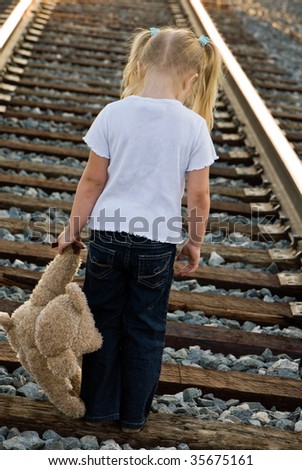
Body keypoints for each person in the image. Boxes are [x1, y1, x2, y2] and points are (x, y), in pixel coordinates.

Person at [56, 26, 222, 432]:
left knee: (103, 321)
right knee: (146, 329)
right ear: (193, 78)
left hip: (108, 239)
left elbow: (92, 181)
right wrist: (195, 241)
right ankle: (132, 417)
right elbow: (198, 195)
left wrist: (72, 228)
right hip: (157, 245)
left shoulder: (114, 112)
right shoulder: (193, 126)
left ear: (142, 64)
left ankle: (98, 408)